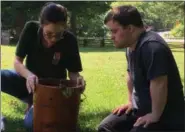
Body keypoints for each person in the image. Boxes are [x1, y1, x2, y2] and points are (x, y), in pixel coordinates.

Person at [98, 5, 184, 132]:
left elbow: (159, 84)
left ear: (130, 29)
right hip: (140, 110)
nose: (111, 36)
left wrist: (154, 115)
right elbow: (130, 74)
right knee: (106, 128)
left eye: (114, 31)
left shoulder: (152, 47)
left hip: (166, 116)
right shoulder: (131, 46)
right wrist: (130, 102)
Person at [1, 2, 85, 129]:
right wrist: (29, 75)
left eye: (58, 35)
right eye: (48, 34)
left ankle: (37, 106)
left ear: (65, 27)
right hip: (28, 84)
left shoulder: (70, 40)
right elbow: (17, 62)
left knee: (32, 125)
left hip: (52, 92)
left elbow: (73, 73)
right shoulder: (31, 29)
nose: (53, 39)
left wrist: (78, 82)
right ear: (41, 25)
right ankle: (31, 101)